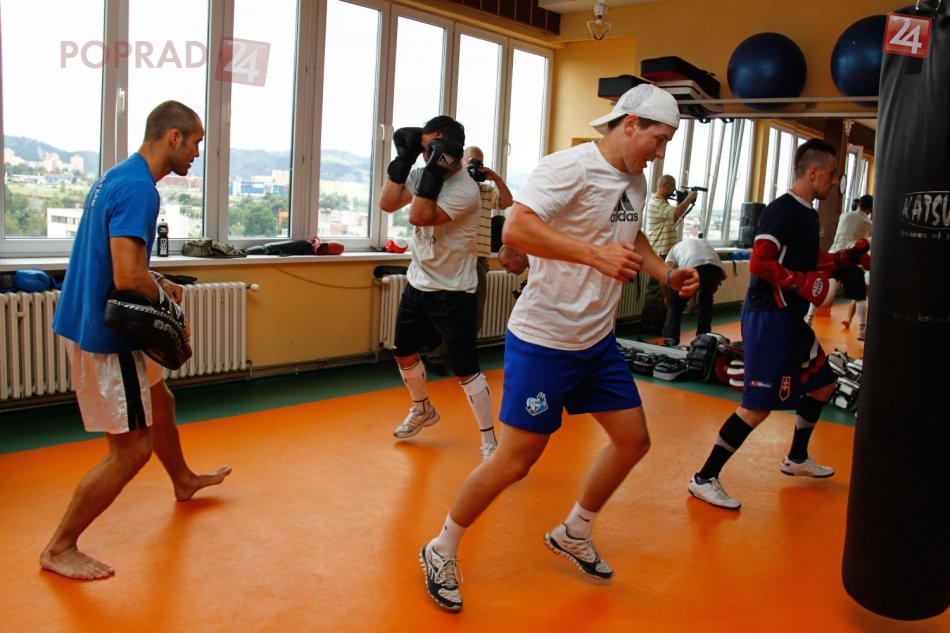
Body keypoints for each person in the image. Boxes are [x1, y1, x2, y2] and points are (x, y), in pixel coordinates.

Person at [416, 84, 699, 612]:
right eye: (658, 139)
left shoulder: (635, 180)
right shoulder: (569, 167)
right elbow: (517, 228)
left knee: (633, 441)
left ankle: (574, 530)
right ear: (630, 124)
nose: (660, 152)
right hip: (545, 338)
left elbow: (630, 235)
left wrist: (665, 272)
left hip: (595, 339)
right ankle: (441, 547)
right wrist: (592, 256)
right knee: (514, 462)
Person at [40, 101, 232, 581]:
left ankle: (183, 480)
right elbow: (127, 277)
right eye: (196, 142)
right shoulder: (140, 189)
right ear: (173, 137)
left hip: (91, 316)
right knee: (131, 449)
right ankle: (60, 547)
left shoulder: (118, 176)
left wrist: (158, 279)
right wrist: (171, 312)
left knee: (160, 402)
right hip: (107, 335)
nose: (197, 153)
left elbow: (121, 261)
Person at [687, 138, 870, 511]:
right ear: (813, 172)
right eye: (832, 174)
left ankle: (797, 457)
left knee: (823, 383)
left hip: (789, 318)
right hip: (768, 317)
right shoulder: (781, 210)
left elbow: (808, 260)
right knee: (756, 407)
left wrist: (843, 259)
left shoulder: (809, 214)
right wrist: (800, 283)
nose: (835, 181)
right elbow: (760, 263)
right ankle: (704, 478)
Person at [379, 116, 498, 462]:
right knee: (403, 353)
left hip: (454, 291)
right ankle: (423, 409)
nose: (425, 156)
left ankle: (490, 441)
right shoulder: (423, 173)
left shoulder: (465, 190)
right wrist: (403, 162)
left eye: (431, 149)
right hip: (418, 283)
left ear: (449, 152)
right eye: (423, 149)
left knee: (465, 370)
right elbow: (388, 203)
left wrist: (431, 171)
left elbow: (419, 215)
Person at [425, 146, 513, 375]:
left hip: (477, 261)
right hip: (452, 258)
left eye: (478, 163)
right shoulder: (451, 187)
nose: (474, 166)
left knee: (474, 314)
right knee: (449, 312)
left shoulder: (486, 191)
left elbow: (508, 201)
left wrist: (496, 178)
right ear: (461, 162)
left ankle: (460, 357)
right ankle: (436, 356)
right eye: (470, 161)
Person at [804, 194, 872, 339]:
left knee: (819, 290)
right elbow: (868, 242)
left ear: (859, 204)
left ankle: (808, 320)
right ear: (870, 209)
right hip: (851, 260)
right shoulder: (869, 223)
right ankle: (862, 330)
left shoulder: (844, 216)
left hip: (833, 257)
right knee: (860, 297)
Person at [640, 175, 698, 334]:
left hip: (665, 252)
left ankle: (660, 324)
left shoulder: (663, 203)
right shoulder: (656, 202)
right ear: (665, 185)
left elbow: (676, 215)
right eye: (672, 187)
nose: (674, 190)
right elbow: (675, 213)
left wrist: (682, 202)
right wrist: (689, 198)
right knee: (656, 290)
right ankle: (650, 325)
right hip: (659, 252)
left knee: (664, 289)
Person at [661, 237, 726, 346]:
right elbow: (723, 276)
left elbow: (664, 277)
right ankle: (703, 336)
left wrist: (667, 297)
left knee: (675, 304)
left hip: (692, 266)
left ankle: (671, 338)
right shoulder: (702, 242)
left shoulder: (672, 252)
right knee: (706, 302)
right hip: (716, 269)